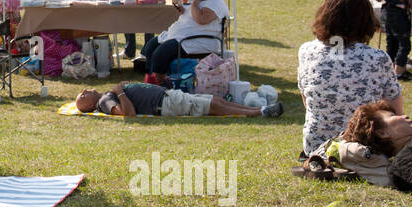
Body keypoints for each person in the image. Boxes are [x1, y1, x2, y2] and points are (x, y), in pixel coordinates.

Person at [297, 0, 402, 156]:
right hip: (363, 149)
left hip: (316, 148)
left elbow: (308, 102)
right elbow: (395, 113)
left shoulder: (306, 51)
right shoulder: (377, 58)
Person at [139, 0, 228, 75]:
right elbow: (194, 16)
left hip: (198, 41)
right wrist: (184, 11)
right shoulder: (203, 1)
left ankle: (159, 80)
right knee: (151, 46)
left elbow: (202, 20)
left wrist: (194, 5)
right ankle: (154, 76)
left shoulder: (216, 3)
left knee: (161, 53)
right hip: (183, 36)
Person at [75, 83, 283, 118]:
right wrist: (120, 92)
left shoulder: (105, 96)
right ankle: (260, 112)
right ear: (87, 105)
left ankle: (261, 108)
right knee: (213, 106)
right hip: (165, 104)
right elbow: (127, 114)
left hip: (168, 96)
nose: (85, 90)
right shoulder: (104, 102)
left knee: (215, 100)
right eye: (82, 95)